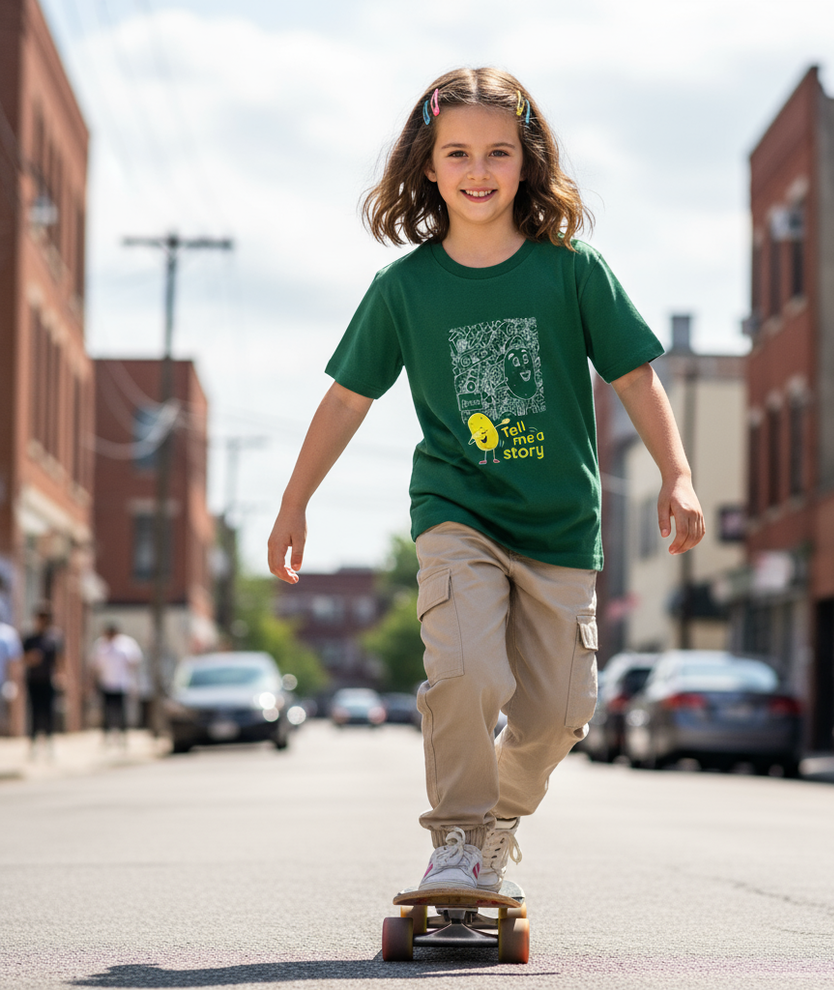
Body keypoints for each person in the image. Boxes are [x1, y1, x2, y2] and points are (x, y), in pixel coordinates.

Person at [267, 68, 704, 894]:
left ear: (527, 161)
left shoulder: (572, 270)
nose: (478, 169)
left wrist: (677, 475)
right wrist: (295, 502)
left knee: (558, 715)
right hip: (456, 513)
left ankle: (496, 821)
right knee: (466, 668)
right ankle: (458, 839)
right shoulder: (404, 289)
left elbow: (637, 378)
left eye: (498, 152)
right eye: (457, 152)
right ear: (427, 166)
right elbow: (346, 397)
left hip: (560, 527)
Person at [89, 623, 143, 745]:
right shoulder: (101, 645)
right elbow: (94, 665)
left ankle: (123, 737)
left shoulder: (126, 644)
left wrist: (134, 681)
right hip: (106, 683)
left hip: (122, 684)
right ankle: (106, 737)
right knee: (106, 712)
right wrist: (93, 683)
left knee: (121, 713)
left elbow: (135, 661)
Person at [21, 603, 62, 754]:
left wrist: (61, 675)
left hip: (48, 680)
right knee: (34, 712)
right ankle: (33, 744)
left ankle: (49, 743)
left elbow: (59, 659)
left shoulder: (53, 639)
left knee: (48, 712)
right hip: (33, 680)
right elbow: (21, 658)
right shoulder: (30, 639)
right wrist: (30, 658)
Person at [0, 616, 22, 736]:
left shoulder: (7, 634)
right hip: (4, 680)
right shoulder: (9, 634)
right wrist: (13, 681)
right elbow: (13, 662)